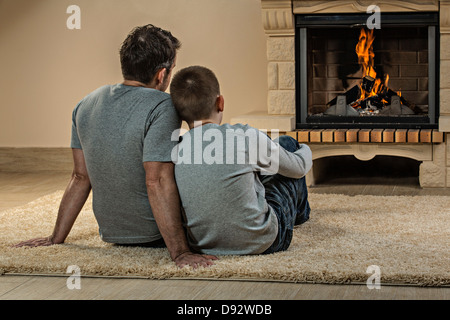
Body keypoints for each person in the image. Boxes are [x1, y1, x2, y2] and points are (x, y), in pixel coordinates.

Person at [14, 25, 216, 269]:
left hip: (111, 234)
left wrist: (55, 237)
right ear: (161, 75)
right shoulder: (163, 105)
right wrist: (180, 253)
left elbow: (80, 176)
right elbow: (158, 180)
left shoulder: (85, 104)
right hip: (154, 237)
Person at [169, 66, 312, 255]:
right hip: (267, 242)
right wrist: (305, 148)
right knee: (286, 143)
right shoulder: (242, 135)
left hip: (203, 246)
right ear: (220, 102)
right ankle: (300, 216)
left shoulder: (176, 148)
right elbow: (299, 168)